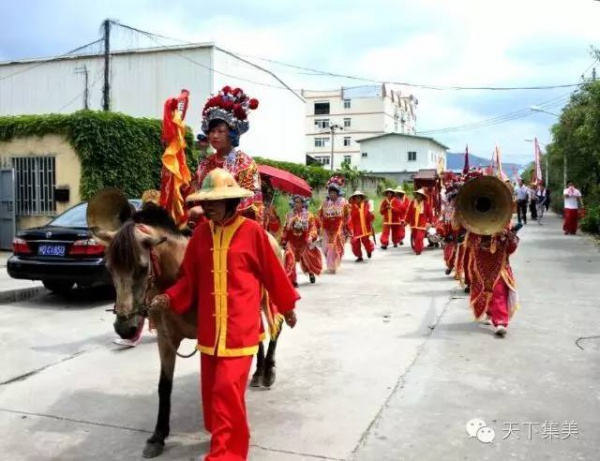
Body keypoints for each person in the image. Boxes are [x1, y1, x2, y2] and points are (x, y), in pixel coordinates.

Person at [150, 169, 299, 461]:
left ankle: (225, 455)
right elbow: (188, 279)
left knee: (226, 392)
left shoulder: (252, 232)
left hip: (240, 331)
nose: (209, 206)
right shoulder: (201, 234)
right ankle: (225, 436)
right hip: (210, 332)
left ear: (232, 201)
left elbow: (273, 273)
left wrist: (287, 306)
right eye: (206, 201)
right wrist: (167, 298)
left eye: (216, 200)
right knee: (212, 394)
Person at [189, 85, 263, 225]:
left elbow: (251, 205)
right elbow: (194, 197)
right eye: (212, 131)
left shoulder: (245, 164)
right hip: (206, 229)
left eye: (220, 131)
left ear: (232, 133)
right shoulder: (204, 165)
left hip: (237, 230)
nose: (215, 136)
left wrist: (207, 211)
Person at [466, 226, 520, 337]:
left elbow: (511, 249)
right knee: (486, 291)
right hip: (481, 266)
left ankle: (501, 322)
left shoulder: (504, 222)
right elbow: (470, 244)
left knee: (499, 291)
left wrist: (507, 237)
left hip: (499, 266)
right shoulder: (474, 225)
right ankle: (490, 312)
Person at [281, 195, 323, 286]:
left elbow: (313, 227)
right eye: (295, 202)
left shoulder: (309, 215)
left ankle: (310, 272)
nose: (297, 204)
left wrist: (311, 237)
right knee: (290, 259)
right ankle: (292, 280)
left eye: (299, 202)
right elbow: (285, 229)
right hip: (292, 241)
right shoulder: (289, 215)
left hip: (304, 241)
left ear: (303, 203)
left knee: (307, 261)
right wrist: (284, 240)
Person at [318, 176, 351, 274]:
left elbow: (347, 216)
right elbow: (320, 215)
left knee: (334, 247)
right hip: (327, 229)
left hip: (338, 228)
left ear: (338, 193)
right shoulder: (325, 203)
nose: (332, 194)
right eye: (330, 192)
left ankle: (331, 266)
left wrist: (345, 226)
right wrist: (321, 225)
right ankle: (331, 262)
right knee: (325, 249)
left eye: (334, 192)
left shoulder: (344, 202)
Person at [348, 190, 375, 262]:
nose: (357, 199)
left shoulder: (366, 205)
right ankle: (359, 256)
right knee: (354, 243)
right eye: (356, 198)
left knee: (366, 242)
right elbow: (351, 218)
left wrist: (371, 214)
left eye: (359, 197)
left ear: (361, 198)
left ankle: (369, 250)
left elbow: (370, 217)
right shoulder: (352, 207)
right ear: (354, 199)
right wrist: (350, 227)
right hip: (356, 228)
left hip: (365, 228)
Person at [406, 188, 433, 255]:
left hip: (422, 224)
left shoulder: (426, 204)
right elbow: (409, 212)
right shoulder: (412, 203)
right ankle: (418, 248)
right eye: (418, 195)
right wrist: (406, 221)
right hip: (413, 224)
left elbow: (430, 213)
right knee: (415, 238)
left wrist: (430, 222)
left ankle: (418, 250)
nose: (419, 197)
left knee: (419, 237)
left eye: (420, 195)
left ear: (422, 196)